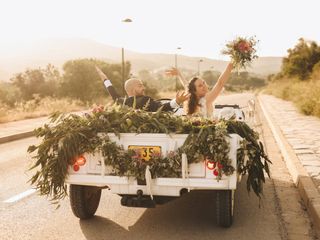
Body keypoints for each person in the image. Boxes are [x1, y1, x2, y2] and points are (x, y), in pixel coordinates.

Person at [95, 66, 190, 112]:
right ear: (132, 89)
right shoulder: (145, 100)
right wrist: (176, 101)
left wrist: (105, 78)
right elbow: (161, 108)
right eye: (140, 86)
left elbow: (112, 92)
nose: (144, 88)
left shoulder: (121, 102)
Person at [167, 62, 233, 117]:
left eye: (204, 82)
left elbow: (186, 85)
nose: (204, 86)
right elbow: (220, 83)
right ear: (194, 91)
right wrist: (230, 65)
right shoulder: (206, 99)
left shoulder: (191, 100)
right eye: (200, 85)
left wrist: (179, 74)